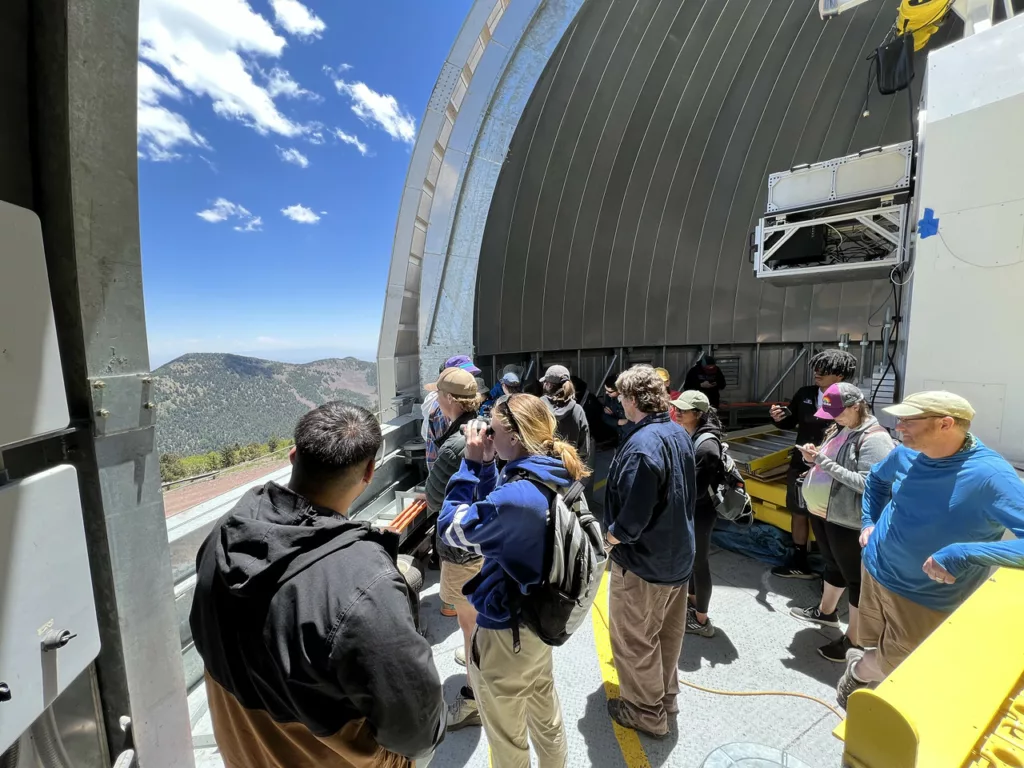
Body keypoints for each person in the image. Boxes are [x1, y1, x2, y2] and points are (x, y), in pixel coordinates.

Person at [190, 402, 444, 768]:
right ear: (370, 472)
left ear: (293, 456)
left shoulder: (223, 534)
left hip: (242, 748)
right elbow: (417, 727)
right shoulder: (365, 585)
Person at [837, 391, 1024, 707]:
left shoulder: (990, 475)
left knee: (904, 663)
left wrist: (962, 553)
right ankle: (869, 662)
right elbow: (876, 482)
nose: (898, 427)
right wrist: (869, 520)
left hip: (923, 597)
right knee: (878, 644)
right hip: (874, 568)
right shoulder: (905, 454)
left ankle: (857, 672)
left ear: (946, 424)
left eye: (909, 420)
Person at [437, 394, 591, 768]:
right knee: (546, 718)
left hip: (507, 635)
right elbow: (501, 507)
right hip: (540, 622)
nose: (487, 433)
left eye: (494, 429)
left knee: (508, 741)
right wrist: (490, 462)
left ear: (516, 438)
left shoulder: (520, 496)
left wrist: (469, 466)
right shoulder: (553, 472)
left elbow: (451, 530)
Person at [604, 365, 696, 738]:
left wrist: (611, 538)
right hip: (678, 560)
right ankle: (666, 697)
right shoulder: (678, 433)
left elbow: (633, 518)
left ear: (631, 399)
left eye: (622, 398)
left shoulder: (642, 446)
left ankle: (645, 712)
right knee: (668, 635)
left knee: (635, 638)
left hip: (644, 565)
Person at [788, 383, 894, 662]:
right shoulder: (842, 428)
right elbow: (829, 463)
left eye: (838, 412)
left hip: (848, 521)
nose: (833, 418)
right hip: (826, 514)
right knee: (833, 564)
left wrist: (823, 462)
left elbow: (869, 484)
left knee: (855, 579)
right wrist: (812, 458)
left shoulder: (875, 439)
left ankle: (854, 641)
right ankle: (826, 612)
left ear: (855, 406)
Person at [423, 367, 485, 728]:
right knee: (482, 618)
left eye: (439, 395)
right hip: (488, 542)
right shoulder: (487, 424)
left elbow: (434, 498)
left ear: (448, 400)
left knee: (469, 623)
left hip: (463, 549)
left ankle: (474, 699)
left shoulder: (453, 444)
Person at [769, 349, 858, 579]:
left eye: (824, 369)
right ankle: (799, 562)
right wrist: (779, 418)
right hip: (801, 465)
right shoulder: (805, 393)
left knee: (825, 518)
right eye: (816, 367)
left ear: (839, 375)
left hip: (831, 469)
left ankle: (833, 573)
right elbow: (790, 422)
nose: (817, 372)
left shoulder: (851, 399)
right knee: (798, 512)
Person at [669, 390, 723, 638]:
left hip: (700, 513)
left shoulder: (707, 446)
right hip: (696, 510)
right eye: (677, 408)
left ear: (698, 414)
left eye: (683, 410)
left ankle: (701, 620)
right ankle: (693, 603)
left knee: (700, 563)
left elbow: (697, 490)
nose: (677, 412)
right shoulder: (695, 434)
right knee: (693, 562)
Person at [423, 355, 481, 471]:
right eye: (467, 374)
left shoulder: (464, 410)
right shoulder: (441, 413)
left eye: (472, 375)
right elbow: (439, 460)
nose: (471, 379)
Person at [541, 365, 593, 467]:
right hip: (568, 468)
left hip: (542, 468)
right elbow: (584, 450)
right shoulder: (578, 410)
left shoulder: (538, 406)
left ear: (549, 385)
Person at [601, 375, 629, 446]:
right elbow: (604, 417)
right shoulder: (609, 398)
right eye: (606, 390)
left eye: (610, 391)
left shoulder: (630, 400)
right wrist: (618, 422)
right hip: (617, 435)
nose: (606, 393)